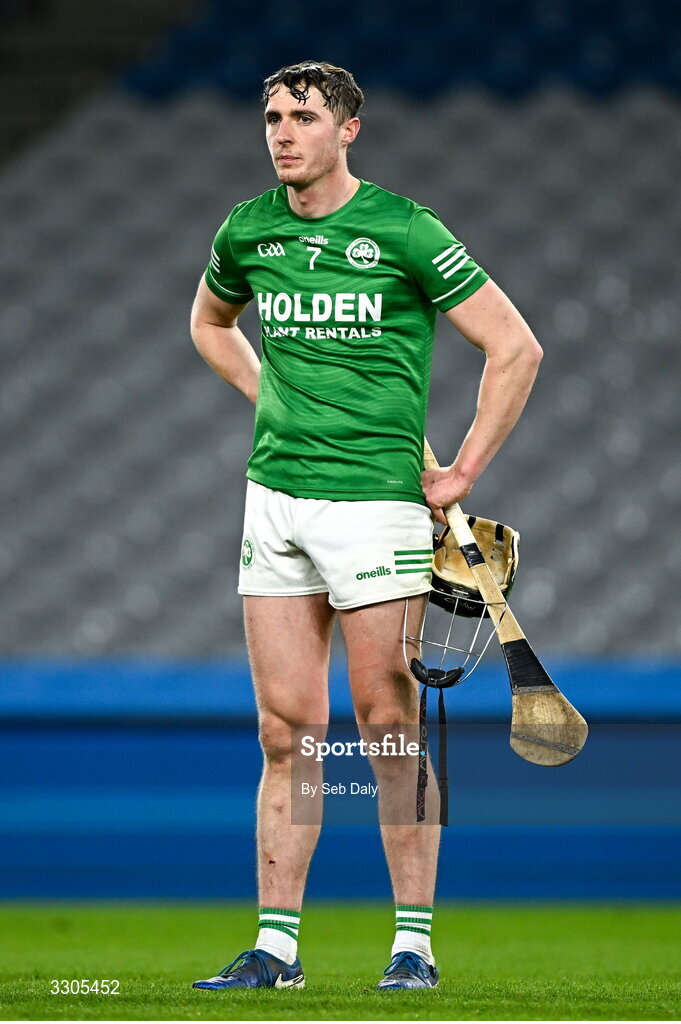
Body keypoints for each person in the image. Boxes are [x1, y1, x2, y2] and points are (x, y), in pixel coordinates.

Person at [190, 60, 543, 992]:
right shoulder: (249, 229)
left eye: (301, 117)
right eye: (270, 116)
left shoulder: (402, 227)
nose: (280, 132)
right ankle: (275, 950)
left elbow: (513, 345)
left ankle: (412, 947)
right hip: (275, 503)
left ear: (348, 130)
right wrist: (272, 397)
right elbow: (211, 324)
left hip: (377, 506)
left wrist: (462, 468)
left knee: (387, 725)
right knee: (283, 733)